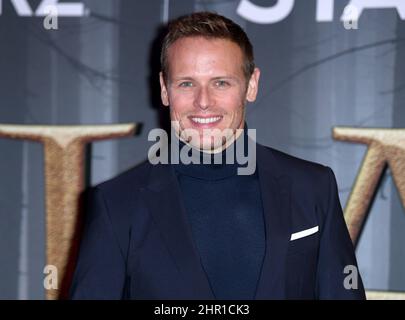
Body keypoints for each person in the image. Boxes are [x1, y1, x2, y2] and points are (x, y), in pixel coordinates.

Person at [70, 11, 366, 300]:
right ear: (164, 89)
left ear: (251, 85)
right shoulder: (117, 204)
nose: (203, 102)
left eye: (220, 83)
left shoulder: (312, 187)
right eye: (187, 83)